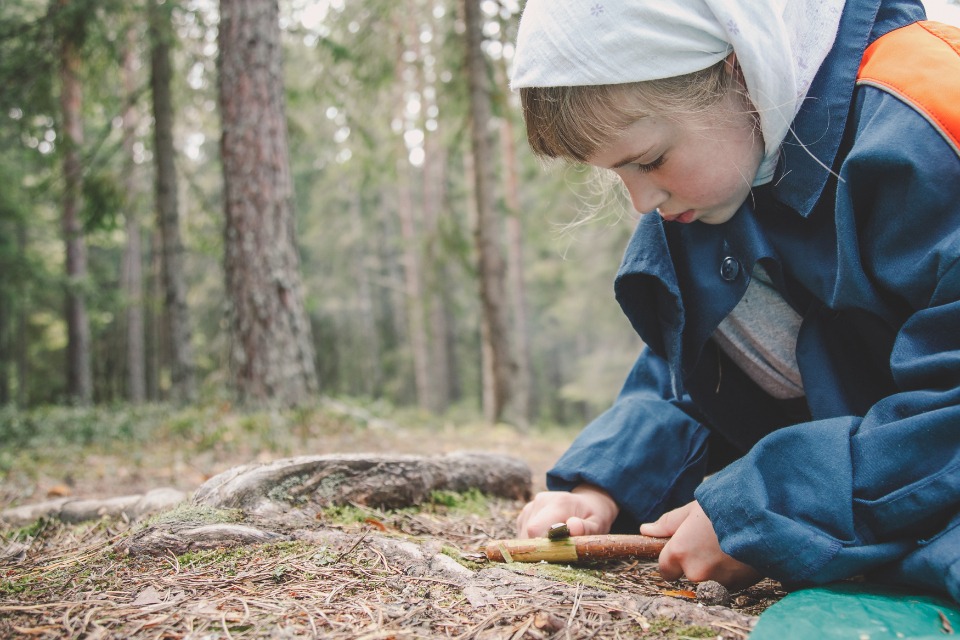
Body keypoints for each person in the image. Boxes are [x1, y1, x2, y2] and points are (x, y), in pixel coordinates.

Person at [510, 0, 960, 601]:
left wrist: (769, 506)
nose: (643, 201)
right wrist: (601, 485)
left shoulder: (928, 124)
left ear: (737, 69)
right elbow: (709, 383)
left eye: (648, 160)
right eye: (618, 173)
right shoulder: (728, 178)